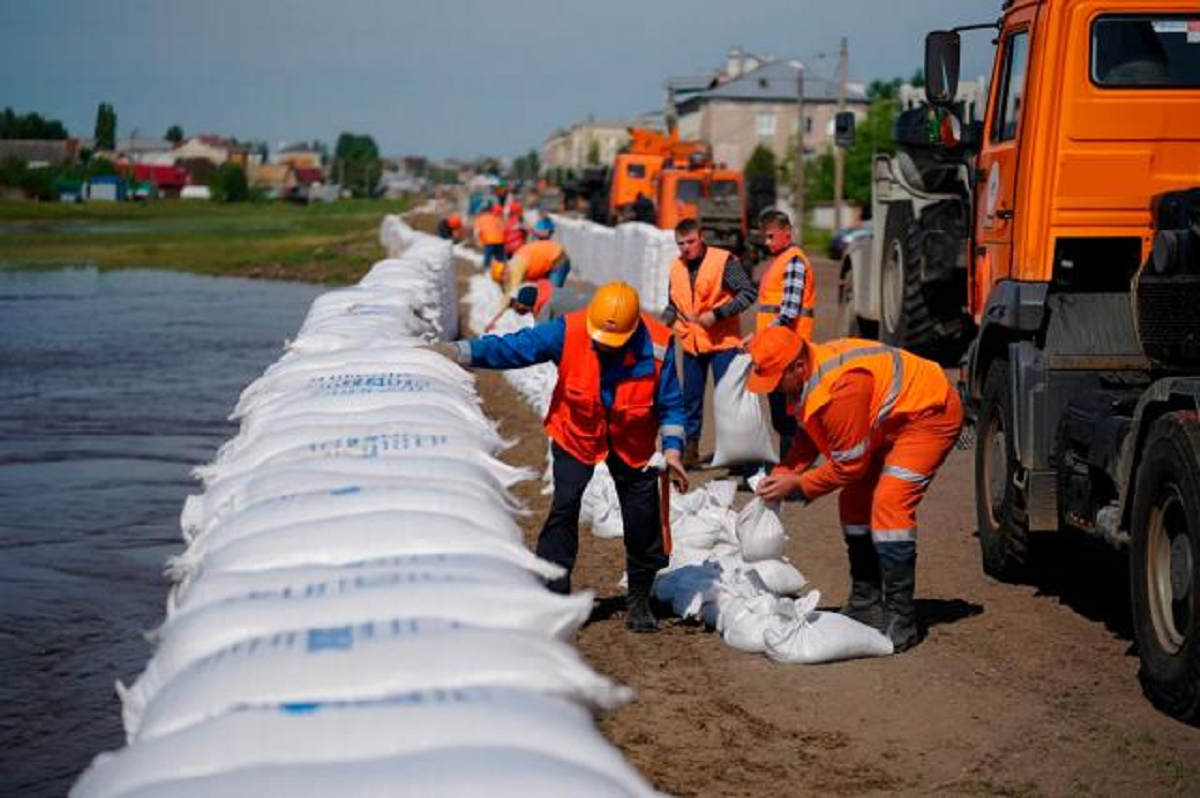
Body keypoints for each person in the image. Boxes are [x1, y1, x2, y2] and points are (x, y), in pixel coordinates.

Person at [434, 282, 689, 633]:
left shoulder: (658, 345)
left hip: (634, 440)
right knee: (564, 508)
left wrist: (673, 450)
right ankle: (553, 593)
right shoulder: (568, 331)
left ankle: (640, 599)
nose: (603, 346)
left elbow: (672, 405)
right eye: (599, 339)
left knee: (642, 517)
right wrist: (460, 352)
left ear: (633, 331)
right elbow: (515, 348)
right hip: (577, 432)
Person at [745, 327, 963, 652]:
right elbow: (812, 436)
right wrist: (784, 471)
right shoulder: (810, 381)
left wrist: (800, 485)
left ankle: (900, 616)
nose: (772, 390)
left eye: (776, 379)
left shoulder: (840, 388)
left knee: (889, 503)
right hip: (888, 421)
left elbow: (850, 466)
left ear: (798, 369)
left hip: (929, 414)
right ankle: (866, 600)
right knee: (854, 502)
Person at [661, 218, 757, 467]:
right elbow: (674, 304)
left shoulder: (723, 261)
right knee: (690, 400)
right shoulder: (676, 268)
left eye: (690, 241)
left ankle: (737, 456)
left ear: (701, 237)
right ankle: (690, 452)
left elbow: (748, 293)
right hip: (692, 343)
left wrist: (717, 315)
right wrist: (663, 323)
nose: (686, 248)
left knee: (728, 400)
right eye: (680, 243)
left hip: (723, 343)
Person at [750, 209, 817, 455]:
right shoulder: (782, 260)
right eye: (764, 237)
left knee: (788, 414)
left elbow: (788, 311)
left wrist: (762, 338)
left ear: (787, 232)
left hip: (789, 351)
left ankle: (793, 468)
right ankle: (789, 465)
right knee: (782, 414)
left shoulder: (794, 261)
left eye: (771, 236)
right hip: (778, 349)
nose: (767, 243)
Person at [483, 280, 590, 332]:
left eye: (522, 307)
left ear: (529, 305)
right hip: (592, 299)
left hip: (590, 314)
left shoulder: (545, 307)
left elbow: (539, 335)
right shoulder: (550, 291)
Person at [499, 239, 572, 296]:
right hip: (547, 259)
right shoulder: (515, 264)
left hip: (558, 259)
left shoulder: (518, 269)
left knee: (551, 296)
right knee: (543, 293)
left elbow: (513, 293)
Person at [474, 204, 506, 274]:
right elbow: (503, 229)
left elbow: (476, 232)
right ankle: (501, 272)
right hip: (500, 240)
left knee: (487, 258)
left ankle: (487, 271)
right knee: (500, 260)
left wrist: (477, 241)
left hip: (489, 241)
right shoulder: (497, 217)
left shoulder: (480, 219)